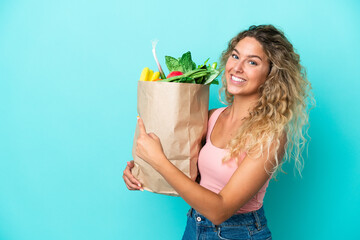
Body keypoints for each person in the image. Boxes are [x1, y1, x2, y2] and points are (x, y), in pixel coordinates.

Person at [123, 24, 313, 239]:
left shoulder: (269, 135)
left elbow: (220, 210)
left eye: (252, 62)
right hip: (195, 226)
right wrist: (141, 171)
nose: (237, 68)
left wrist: (158, 161)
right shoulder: (211, 117)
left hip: (240, 232)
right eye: (235, 56)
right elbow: (183, 170)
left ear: (272, 74)